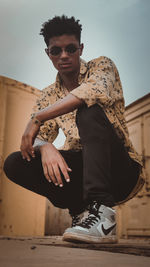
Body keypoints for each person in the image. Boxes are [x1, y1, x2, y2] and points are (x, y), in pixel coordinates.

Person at [3, 15, 145, 244]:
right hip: (81, 173)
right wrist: (46, 146)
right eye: (56, 51)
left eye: (70, 48)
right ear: (47, 53)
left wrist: (38, 117)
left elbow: (90, 93)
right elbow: (33, 141)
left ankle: (102, 214)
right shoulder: (48, 94)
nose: (64, 56)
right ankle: (81, 213)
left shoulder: (102, 66)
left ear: (80, 48)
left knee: (88, 109)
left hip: (119, 170)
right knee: (14, 162)